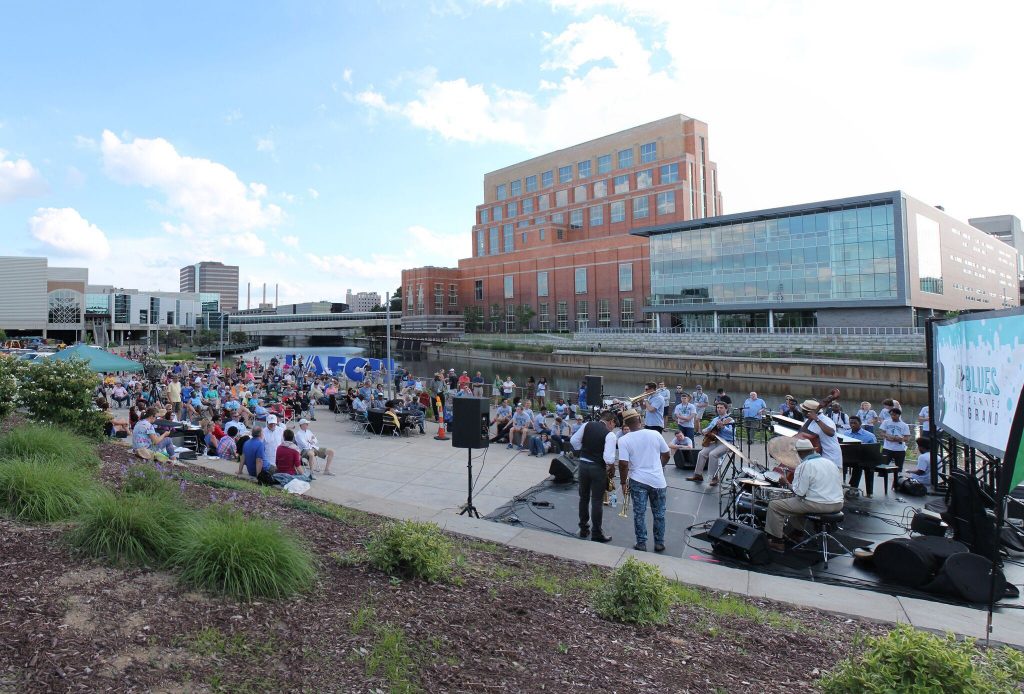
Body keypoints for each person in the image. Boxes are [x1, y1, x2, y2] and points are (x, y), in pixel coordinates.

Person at [765, 439, 844, 552]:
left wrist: (786, 483)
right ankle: (797, 534)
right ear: (812, 450)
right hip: (838, 504)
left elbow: (799, 492)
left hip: (820, 505)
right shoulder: (829, 463)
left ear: (800, 453)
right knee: (797, 502)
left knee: (775, 505)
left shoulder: (805, 465)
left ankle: (777, 542)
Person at [616, 411, 671, 552]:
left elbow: (623, 464)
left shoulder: (623, 440)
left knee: (639, 513)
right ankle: (659, 543)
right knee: (659, 513)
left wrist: (623, 483)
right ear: (640, 419)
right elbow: (666, 454)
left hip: (637, 480)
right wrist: (660, 466)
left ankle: (641, 542)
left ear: (625, 424)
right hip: (658, 481)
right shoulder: (655, 434)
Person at [569, 410, 617, 543]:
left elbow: (574, 441)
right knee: (596, 501)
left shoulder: (587, 425)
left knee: (583, 498)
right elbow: (608, 459)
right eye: (614, 424)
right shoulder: (610, 435)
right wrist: (611, 468)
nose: (614, 427)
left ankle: (584, 529)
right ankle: (597, 532)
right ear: (610, 421)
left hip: (583, 466)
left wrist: (584, 451)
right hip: (597, 468)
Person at [688, 403, 734, 485]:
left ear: (726, 409)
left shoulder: (730, 420)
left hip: (726, 442)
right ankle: (698, 475)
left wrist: (724, 427)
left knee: (713, 454)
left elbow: (733, 433)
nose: (719, 409)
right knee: (702, 453)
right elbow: (710, 428)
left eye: (721, 408)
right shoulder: (715, 419)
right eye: (718, 407)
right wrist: (704, 431)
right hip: (715, 441)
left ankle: (714, 477)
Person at [799, 399, 842, 469]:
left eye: (803, 410)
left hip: (830, 457)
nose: (802, 412)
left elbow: (831, 433)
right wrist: (811, 419)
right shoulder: (808, 421)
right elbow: (801, 433)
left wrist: (816, 419)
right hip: (818, 458)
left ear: (809, 412)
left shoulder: (826, 420)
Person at [845, 416, 879, 496]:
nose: (852, 425)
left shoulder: (869, 435)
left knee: (860, 465)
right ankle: (851, 487)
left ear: (860, 423)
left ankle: (856, 488)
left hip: (865, 458)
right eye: (851, 423)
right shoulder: (846, 433)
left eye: (855, 423)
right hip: (849, 457)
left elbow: (875, 449)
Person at [879, 407, 911, 473]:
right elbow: (881, 432)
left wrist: (898, 439)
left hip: (899, 449)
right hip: (887, 448)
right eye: (891, 415)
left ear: (898, 415)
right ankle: (883, 478)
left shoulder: (904, 425)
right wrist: (887, 436)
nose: (892, 416)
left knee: (898, 468)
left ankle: (897, 479)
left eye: (894, 415)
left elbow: (907, 438)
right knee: (882, 467)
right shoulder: (886, 422)